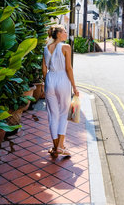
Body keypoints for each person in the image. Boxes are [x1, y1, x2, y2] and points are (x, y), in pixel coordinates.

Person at [42, 25, 79, 157]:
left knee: (53, 115)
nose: (66, 33)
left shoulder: (46, 48)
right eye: (64, 31)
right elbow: (69, 68)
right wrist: (74, 87)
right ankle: (60, 146)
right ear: (58, 34)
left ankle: (55, 146)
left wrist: (47, 83)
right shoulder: (66, 47)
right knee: (63, 113)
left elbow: (44, 69)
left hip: (50, 80)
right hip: (62, 80)